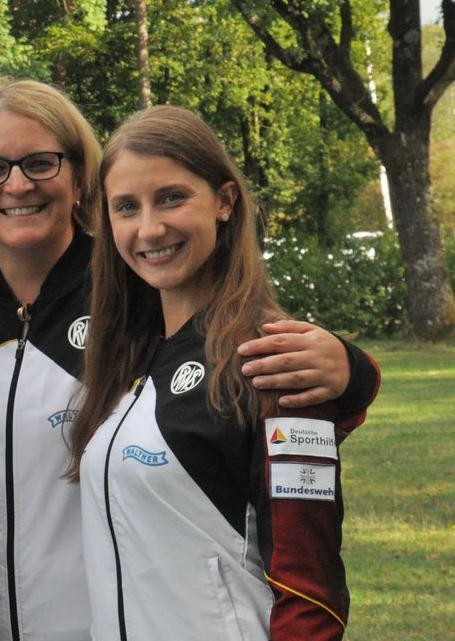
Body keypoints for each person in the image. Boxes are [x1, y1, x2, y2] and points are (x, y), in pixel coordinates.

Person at [0, 80, 378, 639]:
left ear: (78, 177)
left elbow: (304, 552)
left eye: (41, 162)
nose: (17, 184)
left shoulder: (144, 291)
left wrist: (352, 372)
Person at [71, 105, 366, 639]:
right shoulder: (125, 359)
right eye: (125, 207)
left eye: (171, 197)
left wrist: (355, 373)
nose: (149, 228)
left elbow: (310, 590)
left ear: (225, 201)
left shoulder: (274, 361)